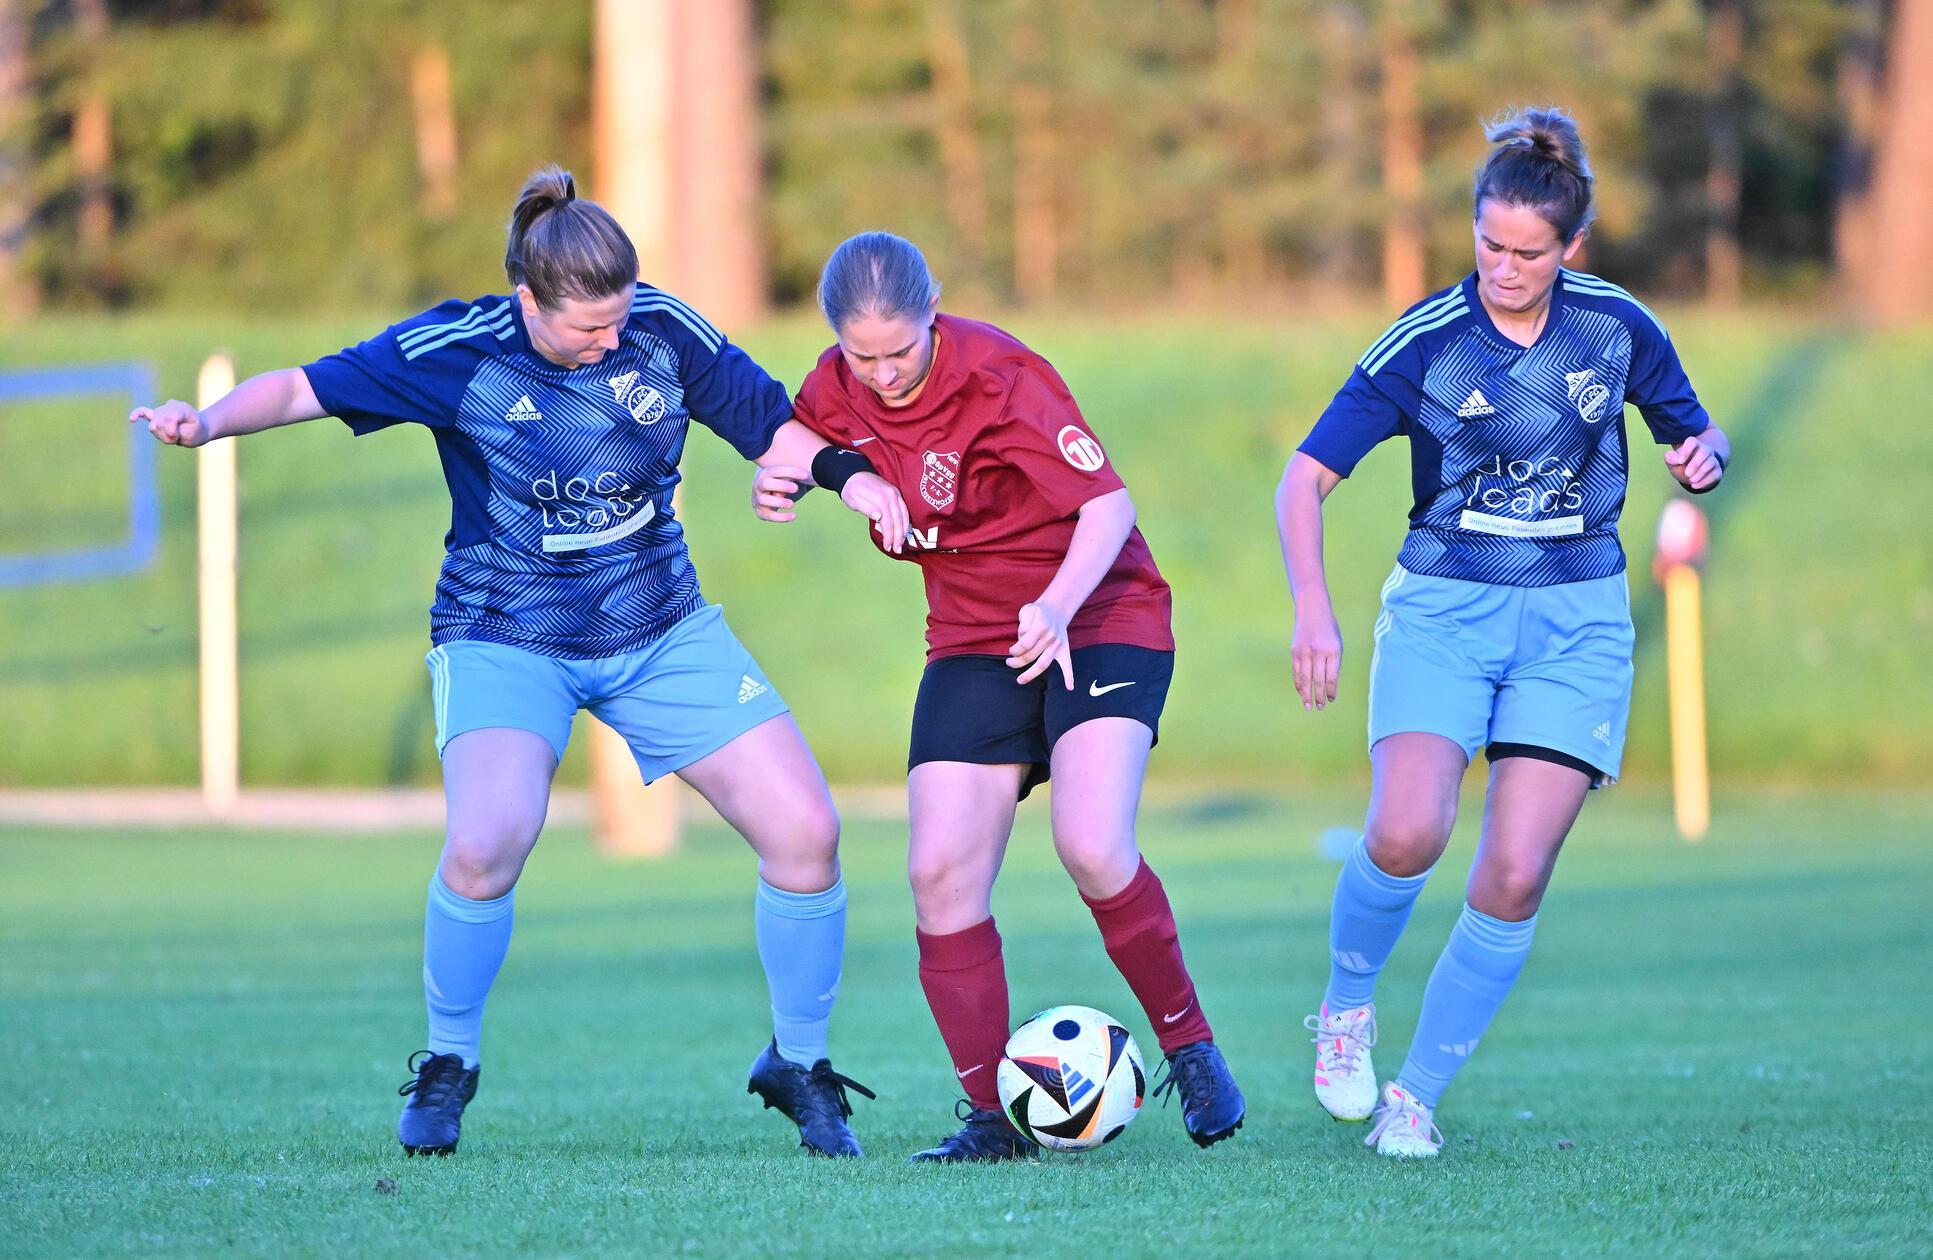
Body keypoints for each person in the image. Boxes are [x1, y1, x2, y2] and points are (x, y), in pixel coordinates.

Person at [130, 167, 898, 1159]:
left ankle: (798, 1061)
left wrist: (847, 478)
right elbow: (302, 387)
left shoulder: (661, 327)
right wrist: (208, 423)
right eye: (586, 328)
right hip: (504, 633)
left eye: (618, 320)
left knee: (807, 831)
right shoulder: (458, 349)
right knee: (488, 841)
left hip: (658, 629)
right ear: (527, 301)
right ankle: (448, 1063)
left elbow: (770, 420)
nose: (608, 340)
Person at [1276, 109, 1730, 1158]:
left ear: (1572, 247)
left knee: (1516, 872)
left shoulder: (1617, 327)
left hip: (1576, 624)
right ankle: (1345, 1012)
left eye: (1529, 253)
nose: (1504, 268)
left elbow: (1692, 430)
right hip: (1443, 609)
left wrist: (1702, 455)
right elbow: (1303, 482)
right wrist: (1313, 606)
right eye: (1488, 245)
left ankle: (1415, 1099)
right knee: (1406, 831)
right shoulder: (1426, 339)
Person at [752, 230, 1246, 1162]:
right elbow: (797, 437)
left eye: (900, 350)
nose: (885, 373)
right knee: (938, 874)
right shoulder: (838, 383)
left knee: (1093, 847)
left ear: (932, 314)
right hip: (974, 641)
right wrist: (801, 480)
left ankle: (1191, 1046)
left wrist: (1056, 606)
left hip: (1096, 612)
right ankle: (991, 1117)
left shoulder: (1004, 377)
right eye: (863, 356)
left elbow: (1108, 507)